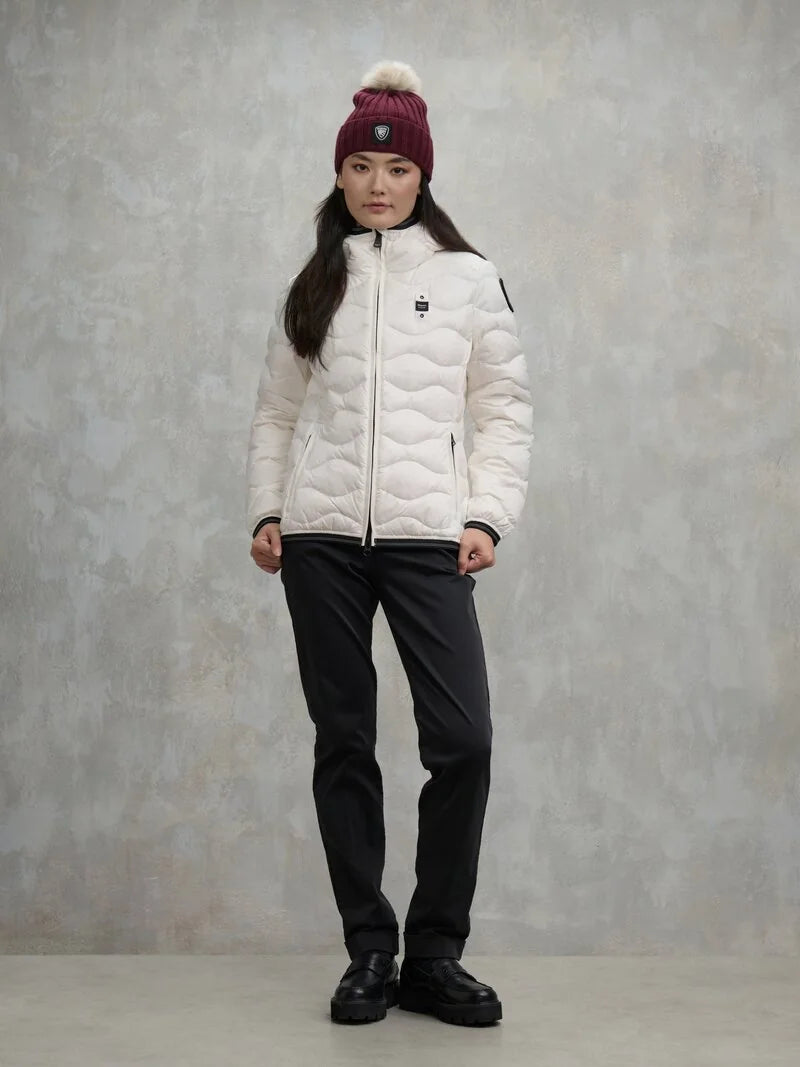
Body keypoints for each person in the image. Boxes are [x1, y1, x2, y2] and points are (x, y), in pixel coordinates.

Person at [246, 59, 533, 1027]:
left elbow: (503, 409)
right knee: (345, 741)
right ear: (340, 175)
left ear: (422, 177)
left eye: (398, 168)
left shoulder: (467, 278)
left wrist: (483, 515)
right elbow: (275, 412)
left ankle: (434, 954)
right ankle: (369, 949)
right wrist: (266, 508)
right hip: (320, 539)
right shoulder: (314, 282)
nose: (379, 184)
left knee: (463, 741)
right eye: (362, 168)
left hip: (427, 539)